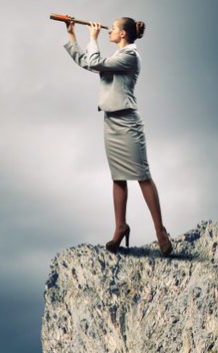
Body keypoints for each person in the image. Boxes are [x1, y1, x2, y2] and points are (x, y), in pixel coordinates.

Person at [63, 17, 173, 256]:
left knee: (142, 176)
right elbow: (87, 62)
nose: (108, 30)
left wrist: (92, 39)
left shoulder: (130, 56)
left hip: (128, 122)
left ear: (123, 34)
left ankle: (160, 231)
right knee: (118, 178)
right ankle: (120, 227)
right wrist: (72, 35)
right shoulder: (115, 57)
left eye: (113, 28)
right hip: (110, 121)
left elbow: (94, 62)